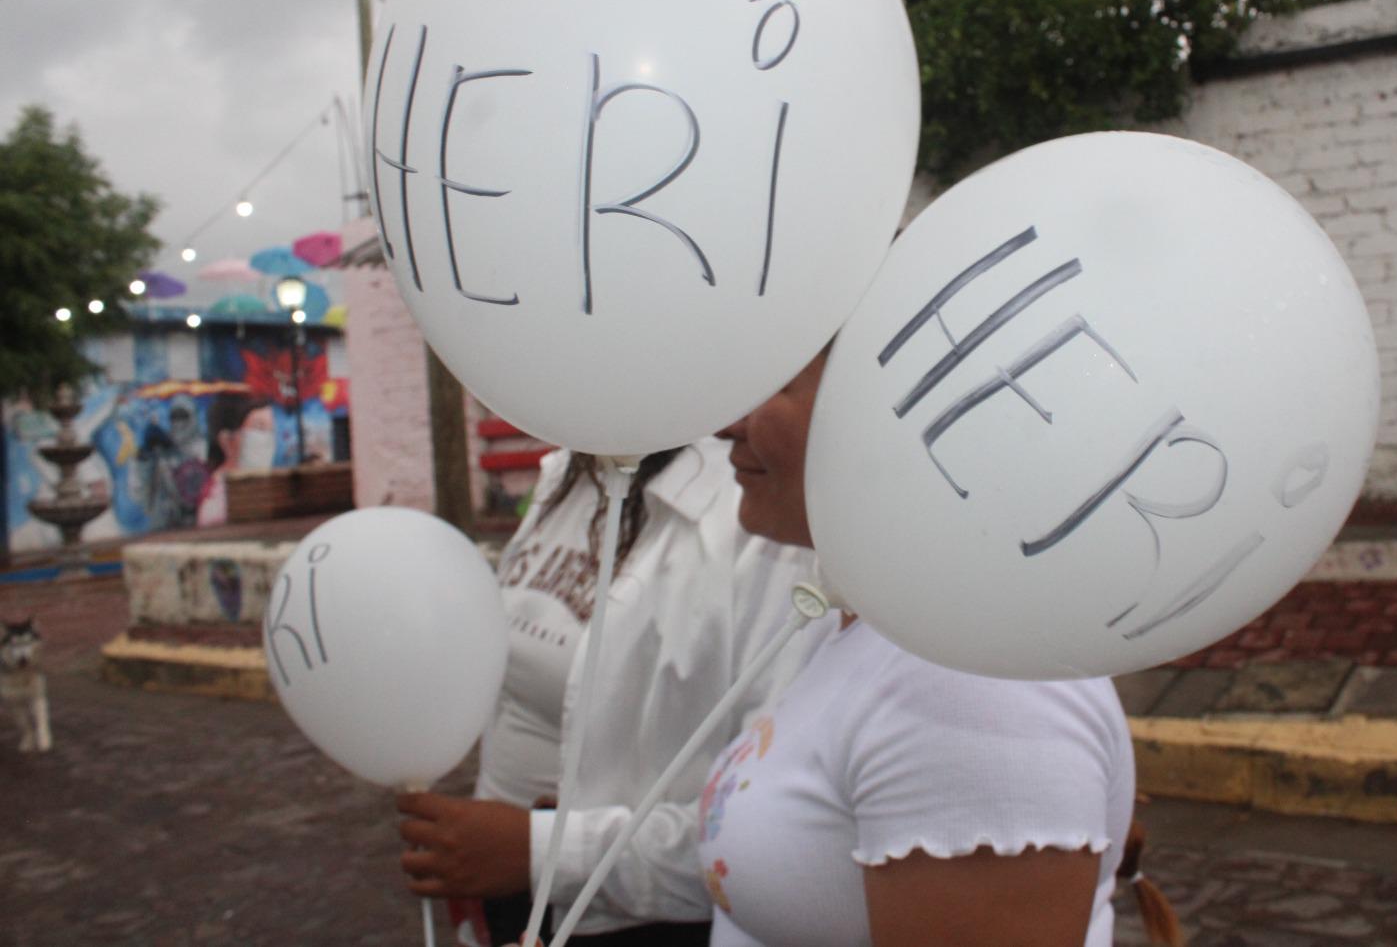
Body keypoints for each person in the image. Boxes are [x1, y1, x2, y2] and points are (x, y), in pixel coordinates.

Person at [700, 352, 1140, 947]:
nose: (724, 422)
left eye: (774, 381)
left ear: (896, 407)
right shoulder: (885, 627)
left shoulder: (970, 682)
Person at [396, 437, 822, 946]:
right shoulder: (571, 470)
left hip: (638, 923)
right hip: (509, 903)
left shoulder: (758, 513)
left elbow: (775, 829)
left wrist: (540, 853)